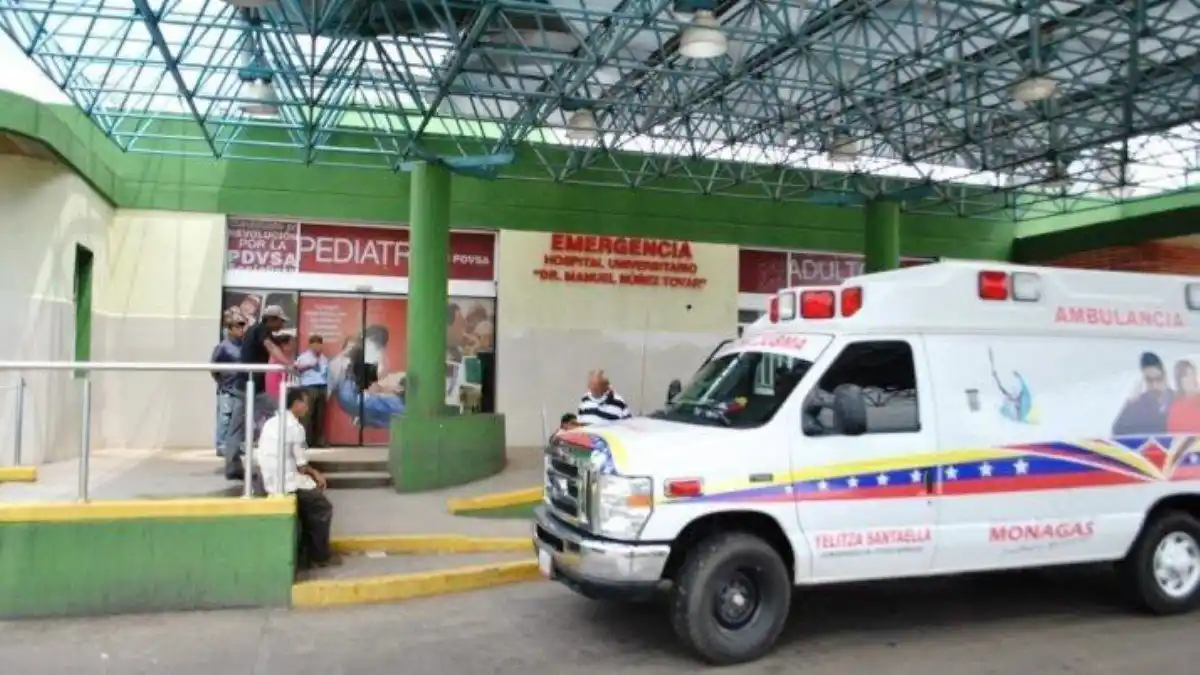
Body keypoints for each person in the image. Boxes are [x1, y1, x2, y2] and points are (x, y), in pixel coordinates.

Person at [256, 388, 338, 571]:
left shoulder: (271, 422)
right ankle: (319, 556)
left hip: (268, 480)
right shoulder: (295, 427)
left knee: (306, 505)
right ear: (296, 404)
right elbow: (302, 466)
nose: (307, 407)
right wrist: (316, 474)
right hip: (285, 482)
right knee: (322, 508)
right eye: (305, 402)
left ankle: (305, 552)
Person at [220, 304, 293, 481]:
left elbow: (277, 346)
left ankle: (232, 466)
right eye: (281, 321)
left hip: (244, 386)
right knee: (281, 414)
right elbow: (272, 348)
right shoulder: (261, 331)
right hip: (251, 389)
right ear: (272, 319)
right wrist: (289, 366)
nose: (282, 324)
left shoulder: (257, 331)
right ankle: (284, 457)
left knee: (236, 429)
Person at [1112, 352, 1175, 436]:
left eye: (1158, 379)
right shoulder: (1138, 404)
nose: (1154, 386)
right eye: (1149, 381)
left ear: (1165, 377)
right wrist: (1130, 403)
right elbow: (1117, 432)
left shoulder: (1177, 399)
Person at [211, 309, 246, 456]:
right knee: (225, 417)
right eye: (237, 327)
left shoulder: (243, 346)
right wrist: (221, 381)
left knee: (238, 419)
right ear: (229, 329)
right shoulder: (223, 347)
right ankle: (222, 445)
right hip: (227, 388)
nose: (240, 329)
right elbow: (213, 366)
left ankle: (235, 445)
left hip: (240, 388)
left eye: (241, 326)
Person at [296, 334, 330, 447]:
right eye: (315, 344)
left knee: (320, 416)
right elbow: (297, 369)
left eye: (320, 344)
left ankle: (318, 441)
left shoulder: (324, 358)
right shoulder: (304, 357)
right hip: (309, 387)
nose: (318, 347)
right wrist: (309, 366)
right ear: (310, 345)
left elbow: (326, 374)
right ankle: (304, 440)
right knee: (307, 414)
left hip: (322, 387)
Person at [1168, 359, 1200, 433]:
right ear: (1179, 381)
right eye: (1186, 376)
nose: (1191, 379)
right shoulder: (1176, 407)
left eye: (1193, 374)